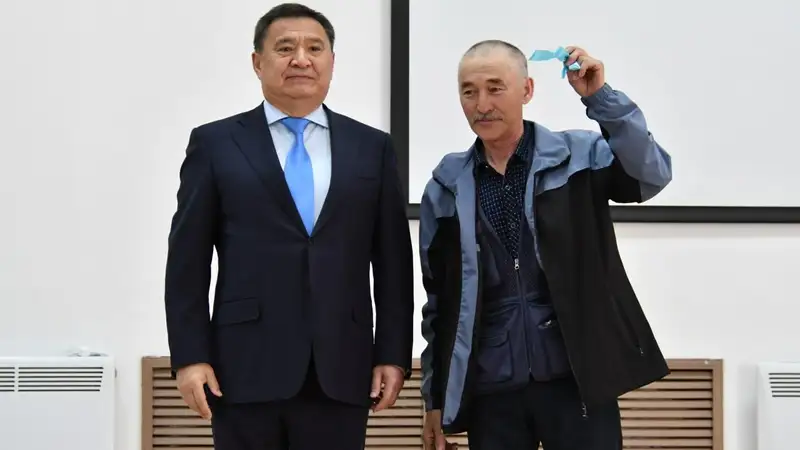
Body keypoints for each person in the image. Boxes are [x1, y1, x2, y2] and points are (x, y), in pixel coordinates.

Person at [163, 3, 414, 449]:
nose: (301, 59)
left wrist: (393, 355)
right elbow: (187, 261)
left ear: (332, 61)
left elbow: (394, 263)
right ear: (257, 62)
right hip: (242, 368)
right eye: (285, 48)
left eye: (314, 48)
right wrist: (190, 357)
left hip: (342, 367)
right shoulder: (216, 144)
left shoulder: (372, 147)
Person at [418, 40, 673, 450]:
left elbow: (651, 174)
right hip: (492, 389)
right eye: (469, 91)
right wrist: (434, 397)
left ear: (527, 90)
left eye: (495, 88)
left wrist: (600, 99)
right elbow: (439, 304)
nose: (482, 104)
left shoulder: (580, 155)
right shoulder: (445, 188)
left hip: (577, 379)